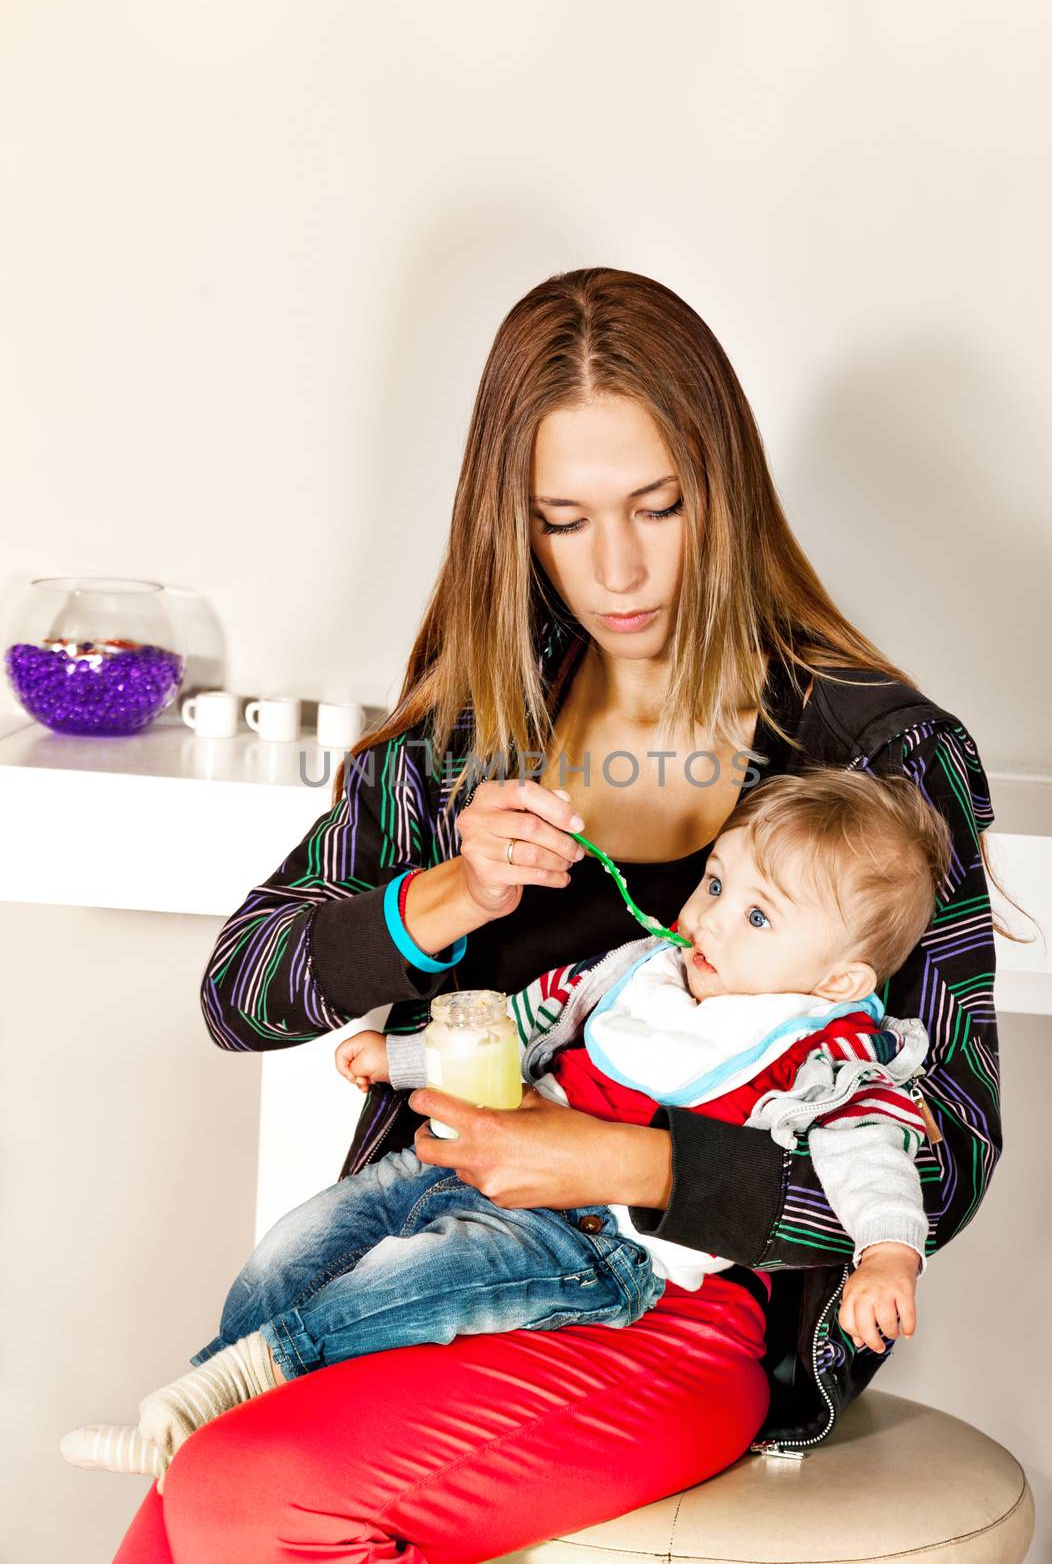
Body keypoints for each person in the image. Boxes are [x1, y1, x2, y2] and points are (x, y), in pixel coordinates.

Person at [101, 268, 1004, 1564]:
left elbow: (942, 1150)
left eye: (658, 506)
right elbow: (239, 994)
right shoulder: (467, 733)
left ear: (724, 490)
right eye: (565, 520)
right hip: (425, 1279)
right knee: (175, 1508)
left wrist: (627, 1164)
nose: (620, 568)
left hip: (673, 1314)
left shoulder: (886, 766)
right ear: (513, 525)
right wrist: (444, 897)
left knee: (244, 1492)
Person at [59, 766, 952, 1487]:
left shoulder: (831, 1048)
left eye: (756, 916)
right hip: (470, 1164)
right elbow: (514, 1025)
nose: (708, 915)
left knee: (413, 1277)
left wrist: (887, 1255)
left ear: (839, 978)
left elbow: (875, 1157)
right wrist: (403, 1059)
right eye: (717, 882)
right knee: (307, 1237)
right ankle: (202, 1410)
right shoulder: (639, 968)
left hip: (601, 1245)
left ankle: (229, 1397)